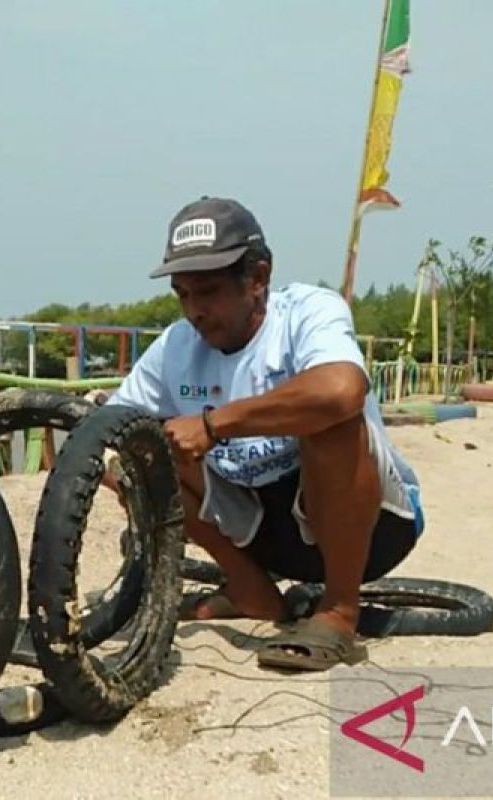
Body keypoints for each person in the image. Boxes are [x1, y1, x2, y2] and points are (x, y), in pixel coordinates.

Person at [105, 196, 425, 671]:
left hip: (373, 527)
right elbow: (107, 429)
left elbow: (342, 390)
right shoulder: (176, 346)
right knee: (139, 456)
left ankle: (339, 612)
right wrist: (121, 469)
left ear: (257, 278)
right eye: (183, 294)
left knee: (328, 419)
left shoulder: (307, 312)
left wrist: (217, 424)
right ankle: (253, 591)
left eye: (208, 291)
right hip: (266, 531)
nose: (194, 310)